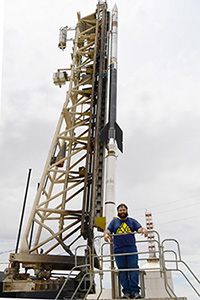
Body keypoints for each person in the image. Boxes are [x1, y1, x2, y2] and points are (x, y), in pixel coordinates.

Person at [104, 203, 148, 299]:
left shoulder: (132, 221)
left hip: (131, 249)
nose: (122, 211)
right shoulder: (114, 222)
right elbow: (108, 230)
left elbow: (139, 228)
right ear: (118, 212)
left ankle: (135, 291)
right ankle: (126, 292)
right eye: (120, 210)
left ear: (126, 211)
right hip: (119, 250)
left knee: (133, 269)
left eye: (124, 210)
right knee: (122, 271)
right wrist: (106, 235)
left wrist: (143, 230)